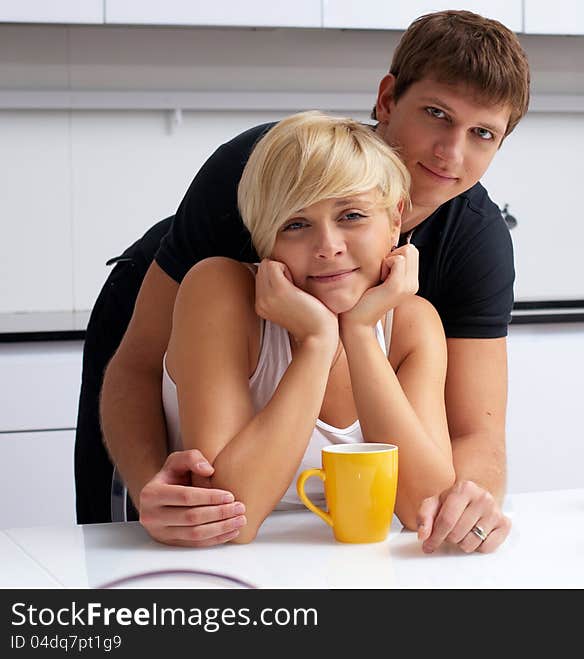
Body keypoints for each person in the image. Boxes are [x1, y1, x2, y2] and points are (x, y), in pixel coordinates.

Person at [77, 9, 529, 553]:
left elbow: (475, 431)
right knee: (150, 528)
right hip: (167, 319)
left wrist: (466, 504)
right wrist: (153, 486)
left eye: (482, 133)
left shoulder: (470, 245)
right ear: (387, 100)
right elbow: (138, 366)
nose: (450, 152)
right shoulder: (262, 171)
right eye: (436, 114)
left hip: (332, 359)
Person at [161, 112, 455, 544]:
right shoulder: (218, 291)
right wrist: (319, 341)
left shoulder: (412, 323)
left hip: (349, 570)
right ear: (265, 240)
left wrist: (358, 333)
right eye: (296, 225)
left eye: (352, 215)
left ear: (396, 220)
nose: (328, 248)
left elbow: (426, 510)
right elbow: (227, 516)